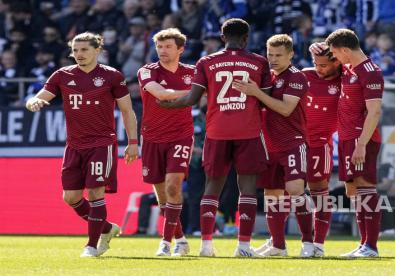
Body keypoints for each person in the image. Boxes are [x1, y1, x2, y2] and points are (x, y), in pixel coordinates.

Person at [160, 18, 272, 257]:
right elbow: (267, 100)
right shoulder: (259, 62)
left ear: (222, 38)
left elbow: (191, 99)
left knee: (212, 187)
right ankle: (243, 246)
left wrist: (168, 105)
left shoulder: (207, 62)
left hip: (217, 131)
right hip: (248, 131)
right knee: (247, 188)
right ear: (246, 39)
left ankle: (206, 245)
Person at [25, 32, 138, 257]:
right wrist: (34, 102)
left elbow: (127, 111)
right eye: (75, 50)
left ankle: (92, 245)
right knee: (71, 197)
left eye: (84, 50)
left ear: (98, 51)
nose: (79, 54)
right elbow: (40, 96)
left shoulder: (112, 76)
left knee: (96, 191)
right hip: (74, 145)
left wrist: (133, 142)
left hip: (102, 143)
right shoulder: (62, 75)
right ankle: (106, 228)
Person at [232, 34, 311, 257]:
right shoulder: (267, 77)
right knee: (272, 195)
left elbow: (286, 109)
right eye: (270, 54)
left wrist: (256, 92)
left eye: (278, 55)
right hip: (268, 145)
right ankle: (278, 246)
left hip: (292, 143)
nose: (273, 59)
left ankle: (309, 244)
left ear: (291, 55)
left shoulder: (297, 77)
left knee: (296, 190)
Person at [311, 28, 384, 257]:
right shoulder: (349, 68)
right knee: (353, 190)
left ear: (344, 50)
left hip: (362, 138)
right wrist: (315, 46)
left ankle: (371, 246)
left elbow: (374, 112)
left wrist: (362, 144)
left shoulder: (370, 72)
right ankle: (363, 243)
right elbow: (324, 55)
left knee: (365, 187)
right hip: (345, 137)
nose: (334, 58)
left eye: (335, 53)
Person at [136, 28, 194, 257]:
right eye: (159, 46)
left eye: (168, 46)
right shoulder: (147, 71)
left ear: (180, 49)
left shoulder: (192, 71)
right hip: (151, 137)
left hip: (180, 135)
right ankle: (181, 238)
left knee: (173, 186)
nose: (162, 51)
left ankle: (166, 242)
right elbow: (160, 94)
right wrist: (193, 93)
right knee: (161, 195)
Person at [302, 46, 341, 257]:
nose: (318, 69)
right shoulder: (304, 75)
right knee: (285, 191)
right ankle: (279, 241)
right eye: (315, 63)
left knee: (319, 193)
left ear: (337, 62)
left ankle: (319, 244)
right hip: (294, 143)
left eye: (323, 65)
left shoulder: (345, 79)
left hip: (320, 144)